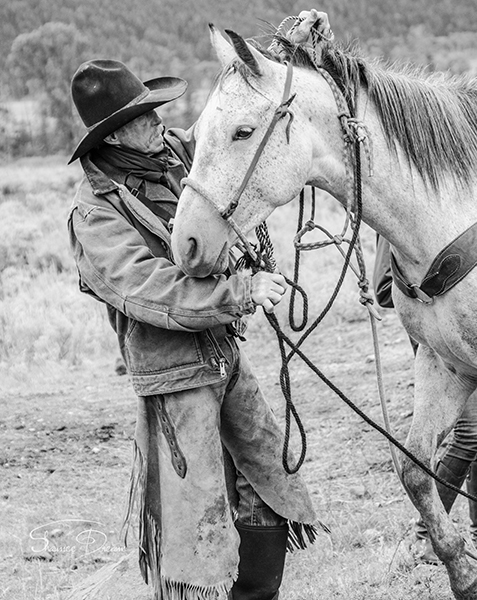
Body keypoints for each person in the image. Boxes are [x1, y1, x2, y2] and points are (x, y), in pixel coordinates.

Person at [67, 57, 320, 600]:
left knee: (267, 477)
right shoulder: (94, 214)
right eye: (145, 116)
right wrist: (240, 292)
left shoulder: (175, 155)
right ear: (113, 136)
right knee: (194, 518)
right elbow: (149, 289)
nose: (161, 121)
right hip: (173, 376)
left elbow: (227, 132)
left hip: (223, 353)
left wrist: (290, 59)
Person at [373, 235, 477, 562]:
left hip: (471, 327)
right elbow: (383, 288)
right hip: (440, 337)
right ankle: (427, 534)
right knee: (472, 433)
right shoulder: (408, 201)